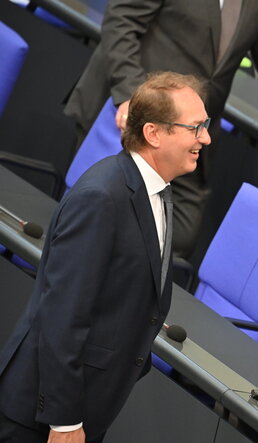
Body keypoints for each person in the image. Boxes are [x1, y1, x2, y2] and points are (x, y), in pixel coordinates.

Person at [0, 71, 209, 442]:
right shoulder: (101, 197)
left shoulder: (156, 191)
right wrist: (64, 421)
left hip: (87, 404)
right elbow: (63, 313)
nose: (205, 138)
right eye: (195, 128)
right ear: (154, 134)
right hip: (41, 416)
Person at [63, 0, 258, 258]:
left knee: (176, 240)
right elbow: (121, 21)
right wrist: (132, 96)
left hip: (193, 136)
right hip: (134, 122)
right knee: (94, 234)